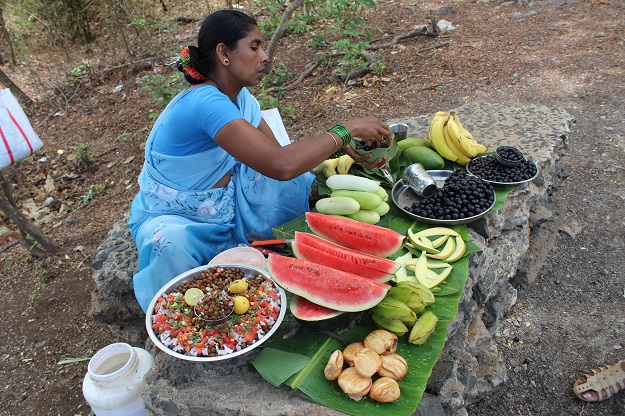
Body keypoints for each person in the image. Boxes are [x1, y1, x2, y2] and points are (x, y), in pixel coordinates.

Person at [128, 9, 393, 312]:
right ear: (224, 53)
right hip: (181, 213)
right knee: (171, 243)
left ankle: (261, 241)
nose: (265, 56)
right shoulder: (205, 102)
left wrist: (342, 148)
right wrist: (345, 131)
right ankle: (181, 311)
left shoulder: (240, 99)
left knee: (295, 180)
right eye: (254, 46)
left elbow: (279, 155)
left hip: (227, 198)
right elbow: (281, 164)